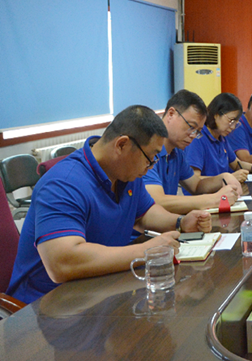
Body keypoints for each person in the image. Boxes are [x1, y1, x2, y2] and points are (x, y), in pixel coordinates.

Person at [7, 105, 212, 304]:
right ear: (121, 145)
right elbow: (63, 263)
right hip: (47, 305)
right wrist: (146, 251)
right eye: (149, 158)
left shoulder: (127, 174)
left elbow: (145, 214)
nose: (151, 167)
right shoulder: (63, 183)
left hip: (100, 290)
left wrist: (180, 222)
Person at [143, 90, 244, 213]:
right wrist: (214, 199)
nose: (192, 135)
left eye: (197, 131)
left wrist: (223, 177)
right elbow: (157, 201)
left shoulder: (177, 152)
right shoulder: (147, 148)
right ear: (171, 114)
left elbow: (195, 185)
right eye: (191, 127)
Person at [184, 93, 252, 185]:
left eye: (236, 123)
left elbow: (236, 164)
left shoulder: (221, 138)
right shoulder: (198, 139)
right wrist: (228, 178)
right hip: (205, 194)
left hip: (223, 192)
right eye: (231, 121)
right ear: (216, 114)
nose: (233, 127)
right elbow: (194, 179)